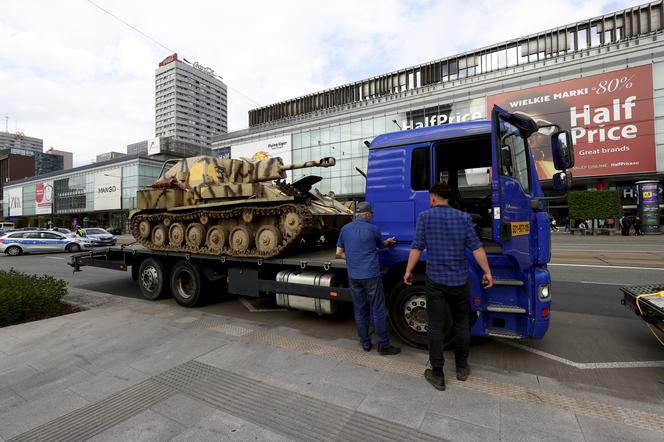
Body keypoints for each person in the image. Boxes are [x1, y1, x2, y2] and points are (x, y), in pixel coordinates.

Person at [403, 183, 493, 391]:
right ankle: (461, 368)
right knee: (461, 323)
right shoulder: (463, 218)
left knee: (435, 325)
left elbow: (417, 247)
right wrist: (487, 272)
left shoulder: (425, 217)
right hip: (460, 280)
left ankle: (438, 374)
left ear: (434, 198)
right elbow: (476, 248)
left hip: (435, 281)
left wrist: (408, 271)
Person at [336, 202, 400, 355]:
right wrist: (389, 242)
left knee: (359, 310)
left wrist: (350, 257)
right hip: (371, 275)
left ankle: (365, 343)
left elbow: (338, 253)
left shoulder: (345, 229)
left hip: (354, 276)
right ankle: (383, 345)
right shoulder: (373, 229)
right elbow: (381, 246)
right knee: (378, 309)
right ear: (367, 214)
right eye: (371, 214)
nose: (372, 216)